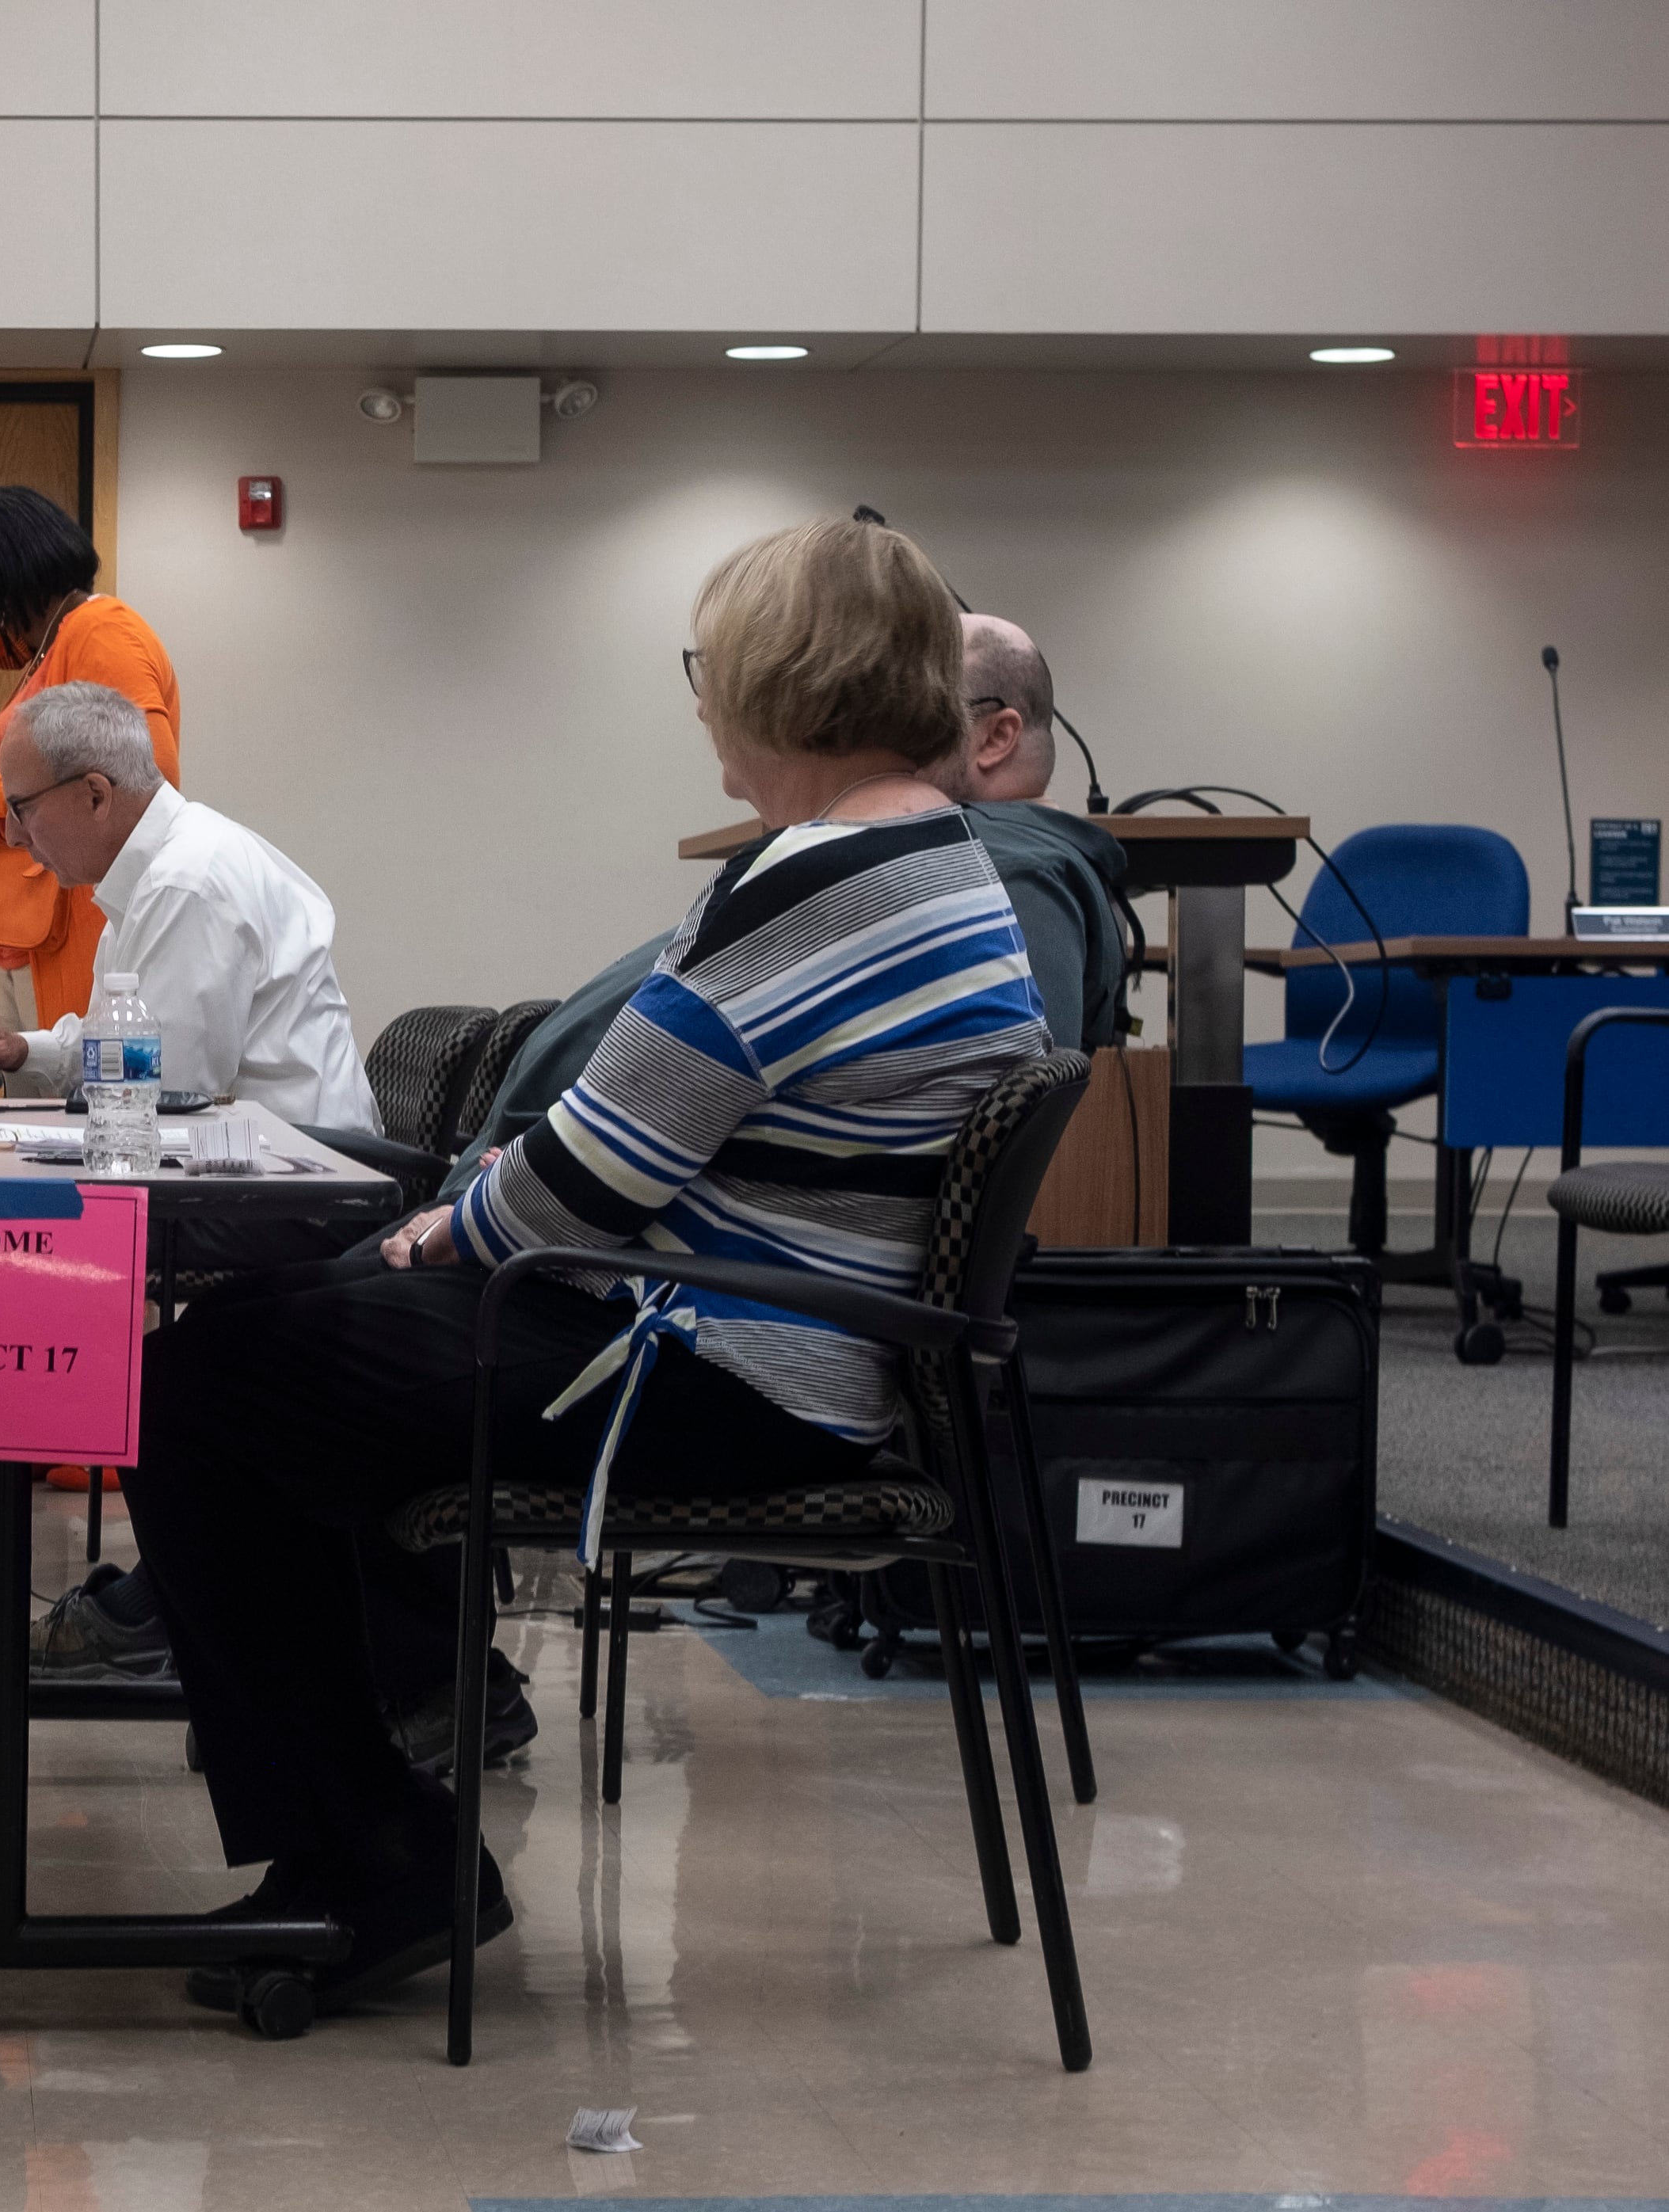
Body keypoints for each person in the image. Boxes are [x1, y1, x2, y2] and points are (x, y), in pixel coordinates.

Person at [120, 516, 1052, 2016]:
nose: (699, 699)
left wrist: (458, 1219)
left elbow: (589, 1176)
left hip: (731, 1376)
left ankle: (373, 1858)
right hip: (767, 1345)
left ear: (777, 680)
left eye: (707, 666)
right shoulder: (928, 857)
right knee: (275, 1337)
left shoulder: (812, 881)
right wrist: (492, 1203)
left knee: (191, 1385)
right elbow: (631, 1140)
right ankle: (369, 1825)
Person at [0, 682, 377, 1612]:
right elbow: (130, 1046)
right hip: (227, 1169)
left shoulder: (189, 882)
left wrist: (9, 1134)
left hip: (272, 1192)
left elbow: (163, 1085)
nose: (17, 840)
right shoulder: (155, 874)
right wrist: (23, 1050)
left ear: (96, 793)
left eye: (20, 809)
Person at [452, 611, 1127, 1188]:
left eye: (912, 717)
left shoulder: (1004, 882)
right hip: (551, 1187)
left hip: (620, 1250)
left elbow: (932, 1166)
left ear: (995, 736)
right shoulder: (939, 860)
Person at [0, 488, 182, 1032]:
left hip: (83, 939)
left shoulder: (100, 630)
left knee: (69, 1108)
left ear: (2, 578)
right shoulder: (50, 648)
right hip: (30, 944)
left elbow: (143, 778)